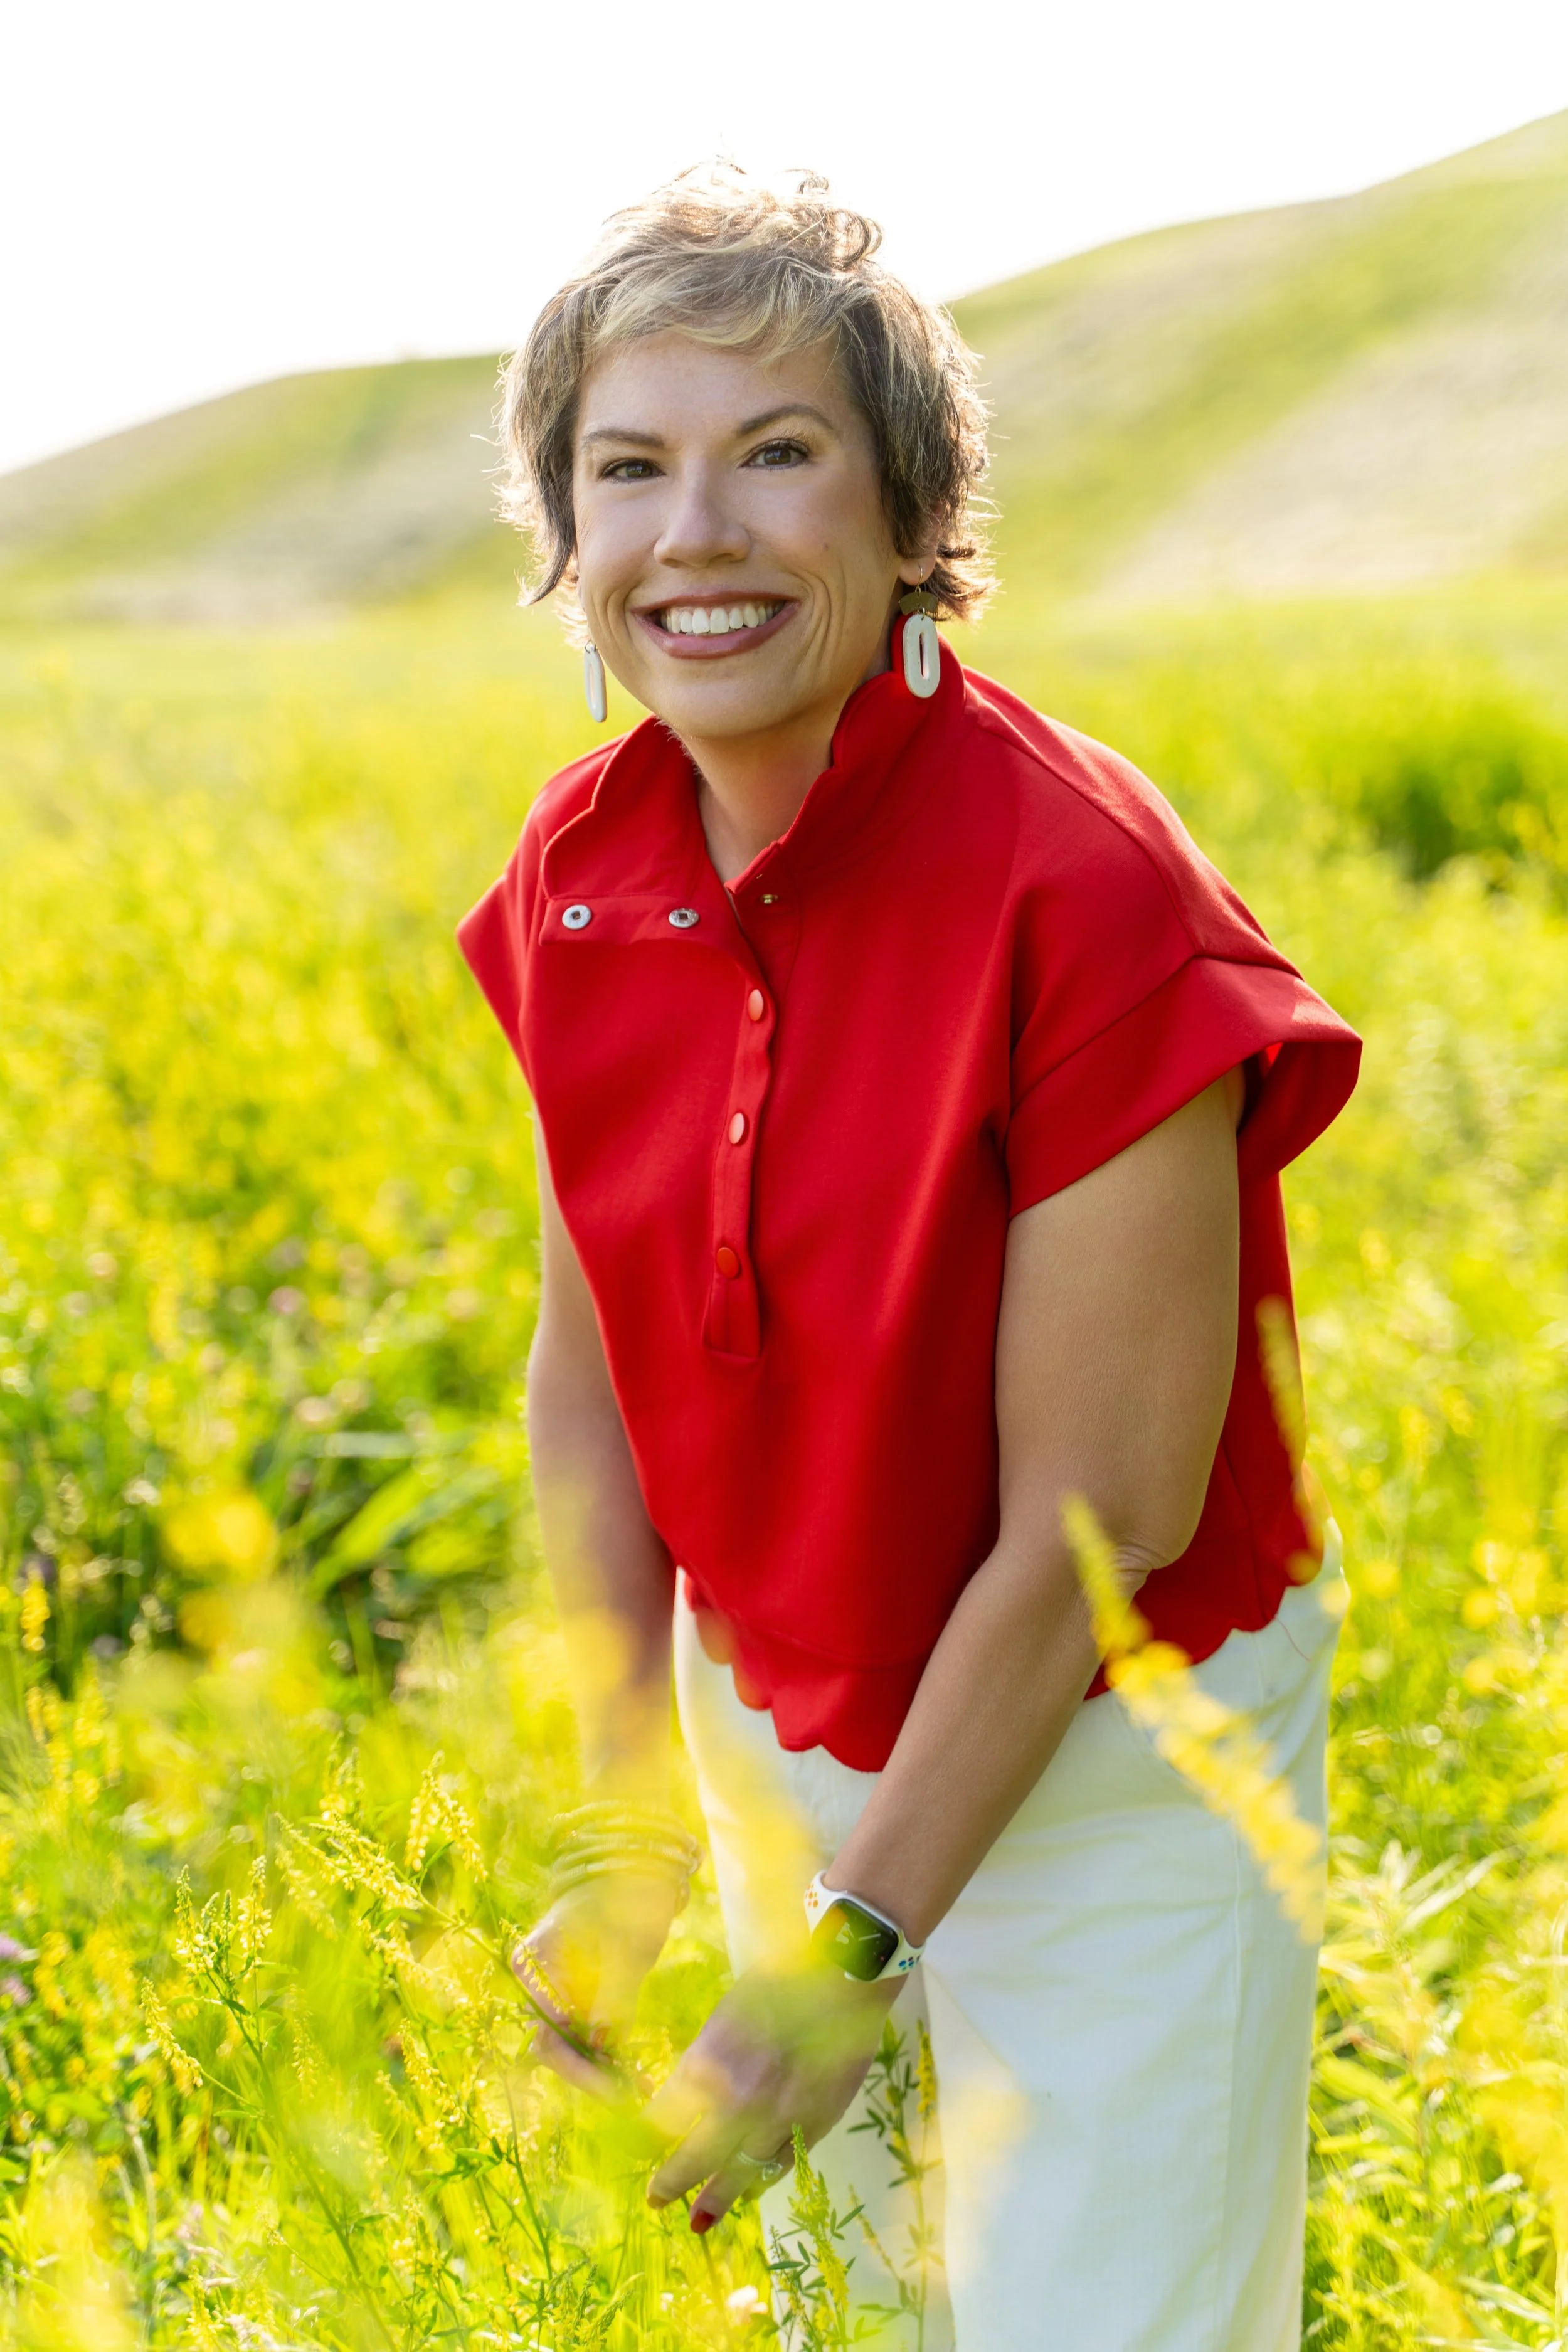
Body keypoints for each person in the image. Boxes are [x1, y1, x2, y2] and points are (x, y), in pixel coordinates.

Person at [459, 169, 1361, 2351]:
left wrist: (853, 1949)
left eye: (777, 453)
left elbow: (1102, 1519)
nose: (698, 534)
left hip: (1117, 1747)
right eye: (630, 467)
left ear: (909, 507)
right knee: (863, 2319)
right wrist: (622, 1819)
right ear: (567, 537)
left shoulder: (1084, 885)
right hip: (781, 1692)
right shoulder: (585, 867)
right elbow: (592, 1364)